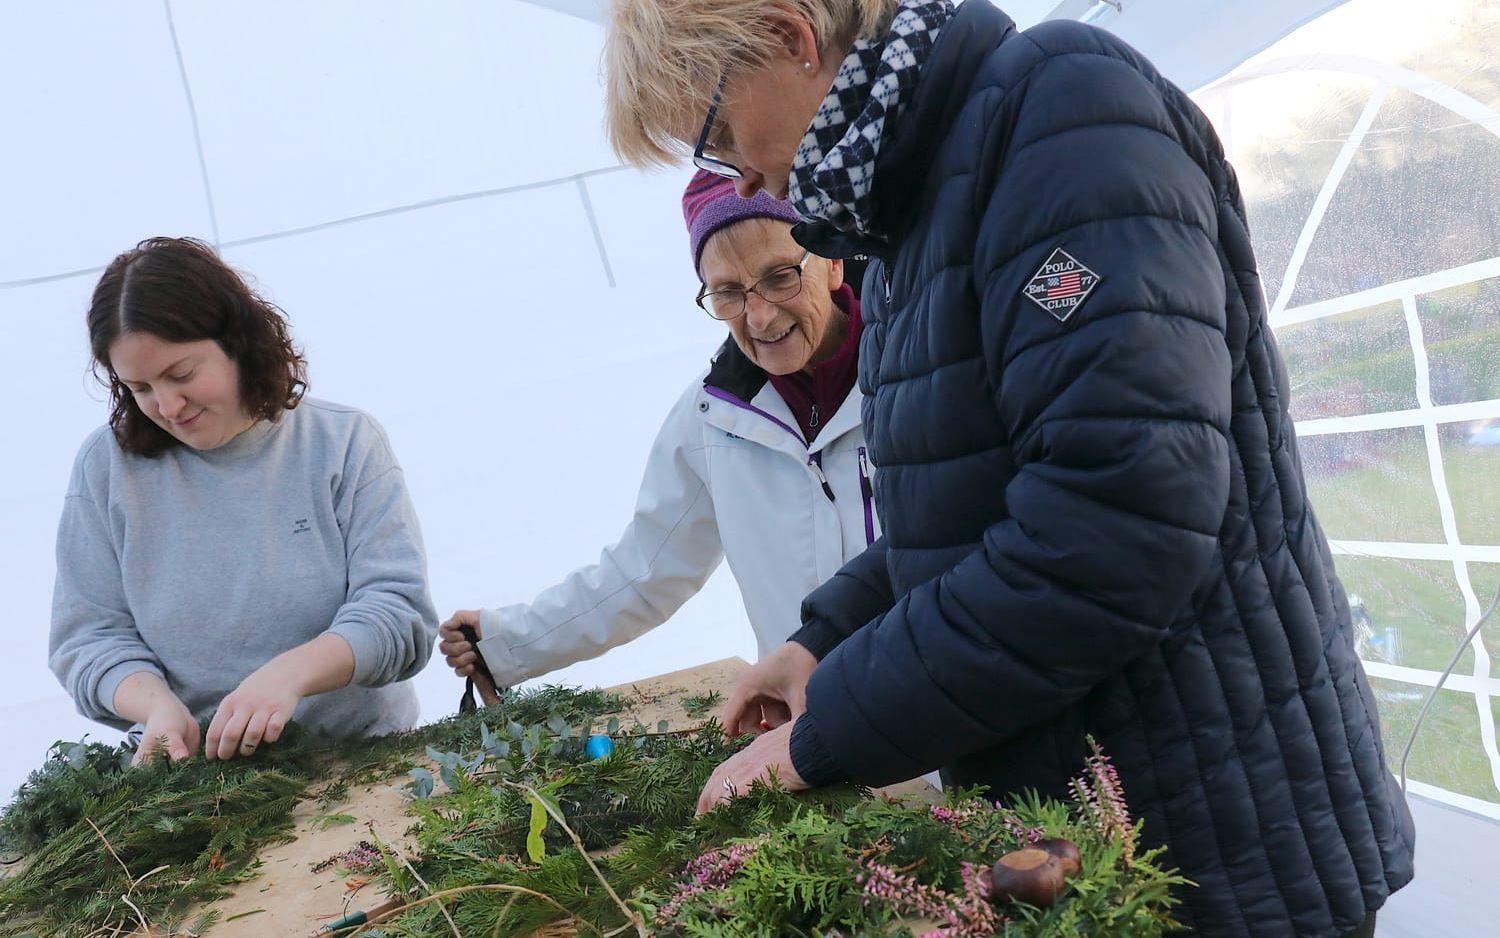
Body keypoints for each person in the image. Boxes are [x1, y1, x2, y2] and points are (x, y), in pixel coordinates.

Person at [601, 1, 1414, 936]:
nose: (738, 172)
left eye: (716, 134)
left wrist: (825, 740)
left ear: (790, 37)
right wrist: (822, 641)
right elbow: (964, 508)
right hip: (1078, 830)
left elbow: (1112, 530)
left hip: (1209, 830)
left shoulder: (1063, 121)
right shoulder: (905, 219)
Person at [438, 172, 876, 715]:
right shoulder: (712, 419)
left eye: (781, 276)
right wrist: (507, 644)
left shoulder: (921, 375)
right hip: (815, 731)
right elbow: (645, 571)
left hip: (958, 730)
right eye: (729, 293)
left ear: (832, 261)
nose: (759, 315)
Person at [49, 237, 437, 765]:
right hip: (202, 787)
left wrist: (289, 676)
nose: (166, 405)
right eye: (139, 387)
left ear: (239, 343)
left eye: (181, 374)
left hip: (362, 763)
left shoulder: (343, 443)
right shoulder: (106, 467)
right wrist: (156, 705)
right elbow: (89, 636)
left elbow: (398, 614)